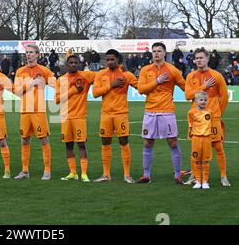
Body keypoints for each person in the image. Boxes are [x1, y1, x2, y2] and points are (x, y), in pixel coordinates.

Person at [136, 42, 186, 184]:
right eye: (154, 51)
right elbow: (141, 89)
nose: (156, 53)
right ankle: (146, 175)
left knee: (173, 143)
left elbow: (185, 87)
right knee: (147, 143)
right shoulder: (146, 70)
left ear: (165, 53)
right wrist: (157, 81)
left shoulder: (172, 70)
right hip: (150, 111)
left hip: (167, 111)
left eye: (159, 51)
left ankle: (177, 175)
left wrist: (200, 94)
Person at [184, 47, 230, 187]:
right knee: (195, 149)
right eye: (197, 58)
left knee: (218, 147)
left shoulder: (216, 76)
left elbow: (224, 97)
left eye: (201, 58)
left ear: (207, 58)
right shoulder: (191, 76)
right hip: (196, 120)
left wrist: (217, 113)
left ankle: (223, 176)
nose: (199, 60)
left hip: (213, 119)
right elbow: (187, 96)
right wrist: (203, 86)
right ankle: (193, 175)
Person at [92, 49, 138, 183]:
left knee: (123, 141)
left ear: (118, 60)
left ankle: (127, 175)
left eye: (112, 59)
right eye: (107, 60)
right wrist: (111, 85)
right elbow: (95, 93)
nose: (109, 62)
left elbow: (140, 87)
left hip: (121, 114)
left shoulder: (126, 75)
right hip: (106, 114)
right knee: (105, 142)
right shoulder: (100, 74)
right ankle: (106, 174)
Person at [13, 44, 56, 180]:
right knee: (24, 140)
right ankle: (25, 171)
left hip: (39, 110)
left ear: (37, 54)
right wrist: (31, 83)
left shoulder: (44, 70)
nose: (28, 55)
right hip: (25, 111)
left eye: (31, 52)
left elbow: (57, 84)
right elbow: (17, 91)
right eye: (27, 52)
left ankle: (47, 171)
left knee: (43, 139)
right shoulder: (20, 71)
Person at [55, 55, 95, 182]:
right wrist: (73, 90)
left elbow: (103, 75)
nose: (73, 64)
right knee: (68, 145)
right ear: (67, 65)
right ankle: (73, 173)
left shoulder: (86, 76)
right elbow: (57, 100)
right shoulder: (61, 80)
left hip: (79, 116)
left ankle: (84, 173)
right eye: (71, 62)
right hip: (66, 117)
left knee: (81, 144)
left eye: (75, 62)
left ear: (79, 64)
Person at [187, 91, 213, 189]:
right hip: (196, 138)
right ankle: (198, 180)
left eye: (205, 100)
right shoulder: (191, 112)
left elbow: (212, 124)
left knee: (205, 160)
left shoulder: (209, 111)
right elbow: (190, 124)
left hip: (207, 138)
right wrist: (190, 135)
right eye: (201, 100)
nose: (203, 102)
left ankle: (205, 181)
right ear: (196, 101)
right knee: (196, 160)